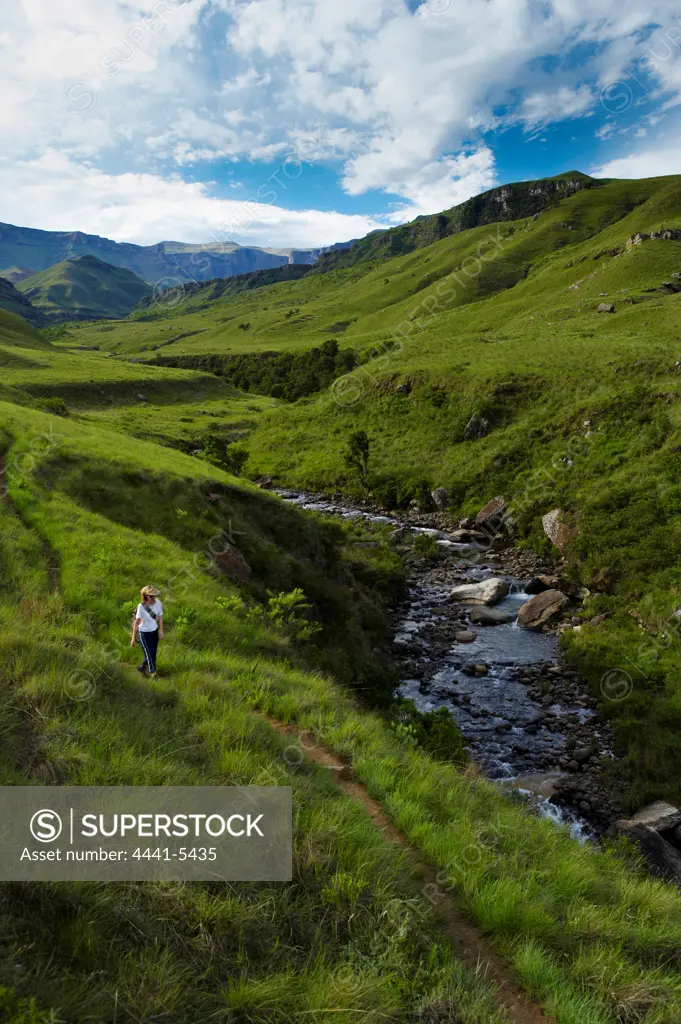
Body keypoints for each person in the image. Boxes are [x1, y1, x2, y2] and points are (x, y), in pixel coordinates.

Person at [131, 585, 164, 677]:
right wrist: (133, 637)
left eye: (154, 596)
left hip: (154, 632)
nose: (153, 598)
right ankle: (153, 673)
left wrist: (161, 631)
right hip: (144, 633)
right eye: (150, 596)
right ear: (145, 596)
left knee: (152, 654)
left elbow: (160, 617)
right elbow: (136, 622)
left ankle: (141, 668)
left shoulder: (158, 603)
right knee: (149, 654)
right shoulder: (141, 607)